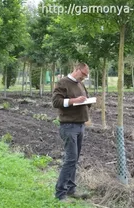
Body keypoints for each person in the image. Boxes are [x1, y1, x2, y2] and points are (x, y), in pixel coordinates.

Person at [52, 62, 91, 202]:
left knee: (74, 159)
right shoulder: (63, 82)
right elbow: (56, 102)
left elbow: (83, 99)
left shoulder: (81, 84)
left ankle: (71, 189)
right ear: (77, 69)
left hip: (80, 125)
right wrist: (75, 100)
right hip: (69, 126)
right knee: (70, 159)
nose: (85, 77)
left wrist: (88, 101)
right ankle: (60, 194)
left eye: (86, 75)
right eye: (84, 74)